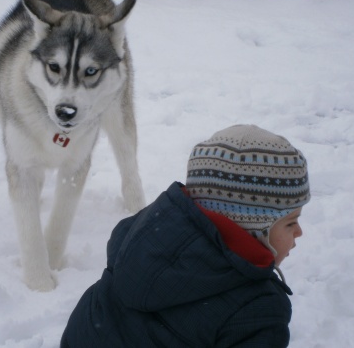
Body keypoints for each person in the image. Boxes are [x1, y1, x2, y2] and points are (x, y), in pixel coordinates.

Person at [61, 124, 310, 348]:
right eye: (290, 222)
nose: (299, 232)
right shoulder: (257, 310)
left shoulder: (141, 244)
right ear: (254, 224)